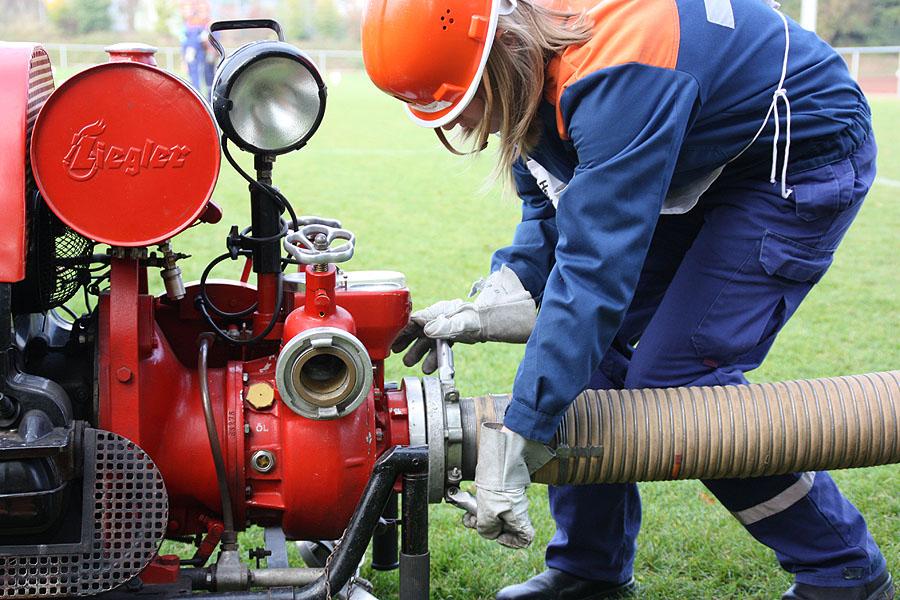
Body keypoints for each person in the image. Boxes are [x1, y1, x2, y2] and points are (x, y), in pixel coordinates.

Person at [361, 0, 893, 599]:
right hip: (714, 150)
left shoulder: (615, 72)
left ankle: (840, 568)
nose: (454, 129)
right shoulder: (530, 56)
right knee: (587, 353)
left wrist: (521, 431)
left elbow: (593, 275)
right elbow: (552, 202)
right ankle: (590, 569)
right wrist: (504, 293)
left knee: (678, 378)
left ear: (498, 63)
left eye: (459, 107)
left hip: (798, 154)